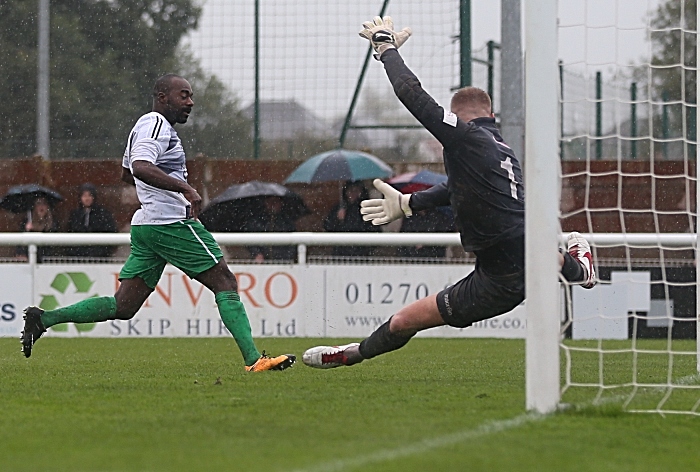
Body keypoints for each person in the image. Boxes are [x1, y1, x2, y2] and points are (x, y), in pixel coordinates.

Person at [302, 17, 596, 369]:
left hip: (509, 269)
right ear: (491, 114)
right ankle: (351, 353)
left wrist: (386, 49)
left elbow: (411, 94)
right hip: (497, 271)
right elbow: (458, 190)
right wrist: (411, 202)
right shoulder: (500, 148)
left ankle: (576, 269)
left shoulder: (466, 137)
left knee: (406, 322)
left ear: (457, 118)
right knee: (404, 320)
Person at [20, 74, 295, 372]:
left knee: (123, 306)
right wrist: (185, 188)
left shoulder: (144, 125)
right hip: (170, 223)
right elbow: (139, 167)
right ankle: (254, 360)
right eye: (184, 95)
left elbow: (129, 171)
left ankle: (43, 318)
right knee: (225, 281)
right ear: (163, 97)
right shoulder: (156, 125)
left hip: (148, 226)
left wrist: (157, 188)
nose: (190, 102)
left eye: (190, 96)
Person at [323, 180, 380, 257]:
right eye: (350, 190)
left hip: (362, 253)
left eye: (356, 190)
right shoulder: (339, 208)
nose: (353, 193)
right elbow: (328, 227)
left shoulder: (366, 209)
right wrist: (338, 219)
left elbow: (375, 230)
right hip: (341, 253)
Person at [66, 183, 118, 259]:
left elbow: (111, 233)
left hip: (99, 257)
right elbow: (69, 233)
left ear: (94, 197)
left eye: (89, 195)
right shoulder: (75, 215)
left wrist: (103, 252)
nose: (87, 199)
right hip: (78, 257)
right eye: (84, 196)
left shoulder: (103, 214)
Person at [243, 196, 297, 262]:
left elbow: (292, 243)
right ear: (265, 203)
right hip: (262, 261)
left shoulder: (287, 222)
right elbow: (250, 240)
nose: (272, 205)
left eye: (275, 202)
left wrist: (287, 257)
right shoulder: (256, 221)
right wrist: (257, 253)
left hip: (282, 261)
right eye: (270, 202)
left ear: (281, 203)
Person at [15, 196, 61, 262]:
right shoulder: (27, 221)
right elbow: (21, 243)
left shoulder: (54, 223)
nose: (41, 207)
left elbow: (55, 244)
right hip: (30, 258)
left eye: (44, 204)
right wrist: (27, 230)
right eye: (38, 203)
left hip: (47, 259)